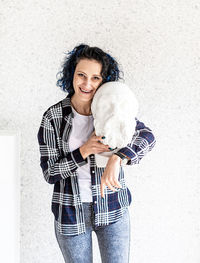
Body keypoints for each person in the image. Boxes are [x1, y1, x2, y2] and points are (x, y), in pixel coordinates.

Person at [37, 43, 156, 263]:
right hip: (71, 213)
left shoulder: (111, 107)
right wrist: (83, 151)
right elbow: (50, 173)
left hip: (113, 206)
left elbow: (147, 136)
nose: (87, 84)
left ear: (104, 80)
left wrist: (119, 158)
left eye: (95, 78)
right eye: (81, 75)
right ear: (71, 74)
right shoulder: (53, 117)